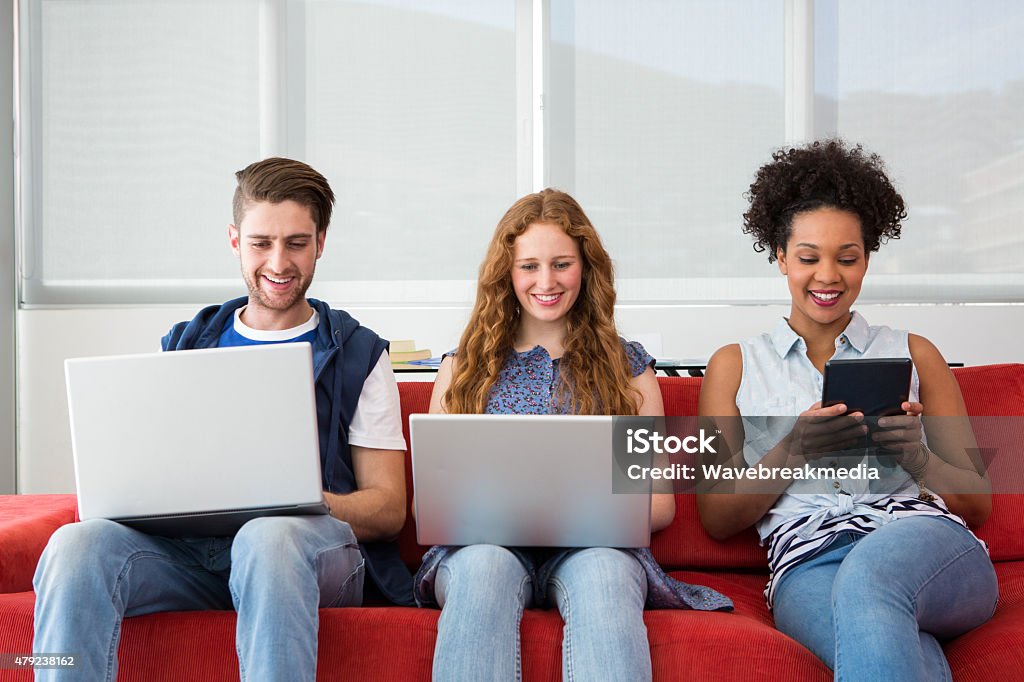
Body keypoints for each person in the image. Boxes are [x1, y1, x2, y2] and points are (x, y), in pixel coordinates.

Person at [33, 157, 413, 681]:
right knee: (75, 545)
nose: (278, 262)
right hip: (193, 558)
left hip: (310, 557)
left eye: (297, 243)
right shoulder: (184, 344)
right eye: (261, 243)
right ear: (234, 240)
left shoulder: (360, 354)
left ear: (321, 242)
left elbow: (389, 509)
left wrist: (296, 500)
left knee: (269, 536)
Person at [697, 139, 998, 681]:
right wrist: (794, 449)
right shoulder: (734, 366)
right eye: (808, 258)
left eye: (848, 257)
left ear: (867, 257)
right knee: (899, 651)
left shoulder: (915, 353)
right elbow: (717, 517)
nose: (828, 276)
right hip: (809, 566)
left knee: (869, 582)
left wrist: (917, 456)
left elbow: (976, 506)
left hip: (925, 546)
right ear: (780, 257)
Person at [414, 188, 731, 681]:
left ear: (586, 268)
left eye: (561, 264)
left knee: (604, 575)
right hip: (481, 551)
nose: (546, 281)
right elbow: (428, 507)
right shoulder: (463, 367)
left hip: (597, 550)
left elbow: (660, 505)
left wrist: (582, 509)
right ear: (507, 272)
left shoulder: (628, 369)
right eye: (529, 266)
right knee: (482, 572)